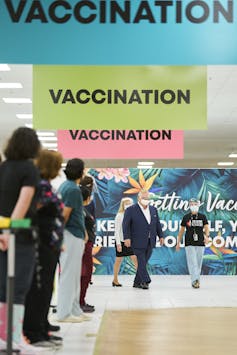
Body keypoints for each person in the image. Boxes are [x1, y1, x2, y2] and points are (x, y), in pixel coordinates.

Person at [0, 127, 41, 352]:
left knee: (2, 287)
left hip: (3, 231)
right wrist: (10, 231)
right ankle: (13, 339)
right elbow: (23, 204)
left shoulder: (3, 167)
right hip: (19, 235)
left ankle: (4, 336)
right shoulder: (29, 169)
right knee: (18, 287)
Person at [23, 149, 64, 349]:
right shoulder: (38, 186)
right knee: (39, 288)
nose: (59, 170)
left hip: (51, 243)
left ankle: (42, 325)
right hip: (41, 242)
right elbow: (32, 212)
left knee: (48, 286)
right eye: (57, 166)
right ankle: (34, 331)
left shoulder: (46, 185)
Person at [56, 158, 90, 323]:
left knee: (74, 274)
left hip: (74, 234)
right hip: (70, 235)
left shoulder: (67, 187)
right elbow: (65, 215)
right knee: (69, 274)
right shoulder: (72, 190)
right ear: (81, 171)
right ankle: (63, 313)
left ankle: (75, 309)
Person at [123, 190, 164, 289]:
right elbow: (125, 225)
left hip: (150, 240)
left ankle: (136, 282)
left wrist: (161, 236)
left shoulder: (153, 209)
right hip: (137, 240)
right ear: (138, 198)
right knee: (141, 261)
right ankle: (145, 281)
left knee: (144, 262)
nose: (146, 200)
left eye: (147, 198)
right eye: (144, 198)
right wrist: (127, 238)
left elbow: (157, 224)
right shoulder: (131, 210)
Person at [176, 198, 210, 288]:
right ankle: (195, 280)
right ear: (189, 206)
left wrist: (207, 237)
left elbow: (206, 227)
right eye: (191, 204)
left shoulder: (202, 216)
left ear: (198, 205)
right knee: (192, 262)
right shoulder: (186, 217)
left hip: (200, 242)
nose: (193, 206)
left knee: (198, 263)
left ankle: (196, 280)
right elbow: (181, 231)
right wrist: (178, 242)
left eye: (195, 204)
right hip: (189, 242)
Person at [112, 197, 137, 287]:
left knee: (135, 259)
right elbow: (116, 231)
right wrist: (118, 244)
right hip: (121, 242)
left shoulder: (134, 215)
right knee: (118, 261)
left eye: (130, 203)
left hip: (131, 241)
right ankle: (115, 280)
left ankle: (139, 280)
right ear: (122, 205)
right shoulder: (119, 215)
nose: (128, 205)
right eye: (126, 203)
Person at [79, 186, 96, 313]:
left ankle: (81, 300)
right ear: (88, 197)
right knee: (85, 273)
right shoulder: (80, 210)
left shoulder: (83, 210)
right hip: (84, 245)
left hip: (88, 244)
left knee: (86, 273)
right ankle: (80, 302)